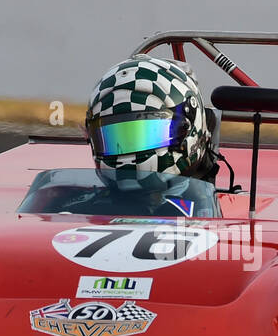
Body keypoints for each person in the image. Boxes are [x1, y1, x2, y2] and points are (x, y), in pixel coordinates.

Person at [24, 56, 221, 217]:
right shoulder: (75, 209)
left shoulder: (212, 212)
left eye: (146, 134)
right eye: (113, 137)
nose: (128, 150)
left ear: (187, 129)